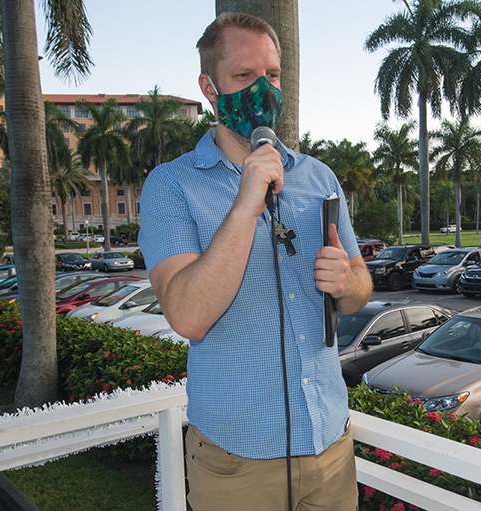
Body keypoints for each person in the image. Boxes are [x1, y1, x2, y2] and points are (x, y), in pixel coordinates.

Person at [137, 12, 372, 511]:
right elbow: (188, 315)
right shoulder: (171, 185)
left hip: (330, 445)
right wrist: (246, 203)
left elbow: (360, 285)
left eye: (273, 75)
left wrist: (346, 282)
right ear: (209, 86)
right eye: (244, 77)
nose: (263, 91)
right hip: (237, 463)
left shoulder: (318, 176)